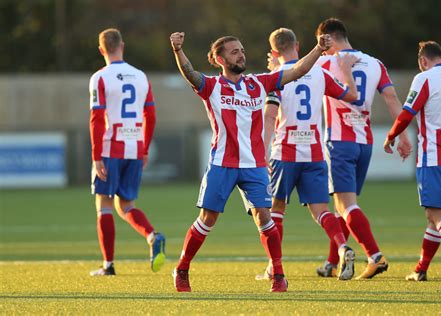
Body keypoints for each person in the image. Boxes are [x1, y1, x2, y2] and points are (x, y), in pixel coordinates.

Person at [169, 31, 332, 292]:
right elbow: (190, 73)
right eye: (234, 51)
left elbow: (296, 71)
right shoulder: (211, 86)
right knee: (207, 218)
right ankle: (183, 268)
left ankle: (278, 275)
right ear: (220, 59)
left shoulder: (259, 82)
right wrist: (178, 51)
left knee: (264, 216)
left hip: (254, 165)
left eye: (242, 50)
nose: (241, 54)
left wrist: (317, 49)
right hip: (222, 163)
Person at [255, 28, 359, 282]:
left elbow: (269, 116)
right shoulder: (319, 73)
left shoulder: (276, 77)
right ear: (298, 45)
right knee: (321, 210)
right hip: (313, 152)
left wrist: (262, 151)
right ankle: (343, 247)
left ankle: (273, 266)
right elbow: (352, 96)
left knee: (275, 210)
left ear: (275, 52)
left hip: (285, 151)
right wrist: (347, 73)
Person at [314, 18, 413, 279]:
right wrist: (401, 134)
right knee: (344, 207)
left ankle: (375, 256)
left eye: (322, 45)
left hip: (339, 141)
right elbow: (392, 99)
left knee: (346, 205)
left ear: (327, 39)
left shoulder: (325, 62)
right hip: (364, 142)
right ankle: (332, 262)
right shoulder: (374, 63)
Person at [384, 41, 441, 282]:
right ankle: (421, 269)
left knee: (437, 215)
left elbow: (407, 113)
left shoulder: (424, 78)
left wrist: (391, 136)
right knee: (435, 216)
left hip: (433, 155)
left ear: (423, 61)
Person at [88, 28, 165, 276]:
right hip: (134, 146)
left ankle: (108, 265)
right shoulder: (141, 76)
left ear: (101, 50)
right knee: (127, 204)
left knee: (105, 206)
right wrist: (144, 149)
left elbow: (97, 119)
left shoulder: (100, 78)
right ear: (123, 45)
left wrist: (96, 155)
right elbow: (150, 116)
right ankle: (152, 235)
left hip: (111, 147)